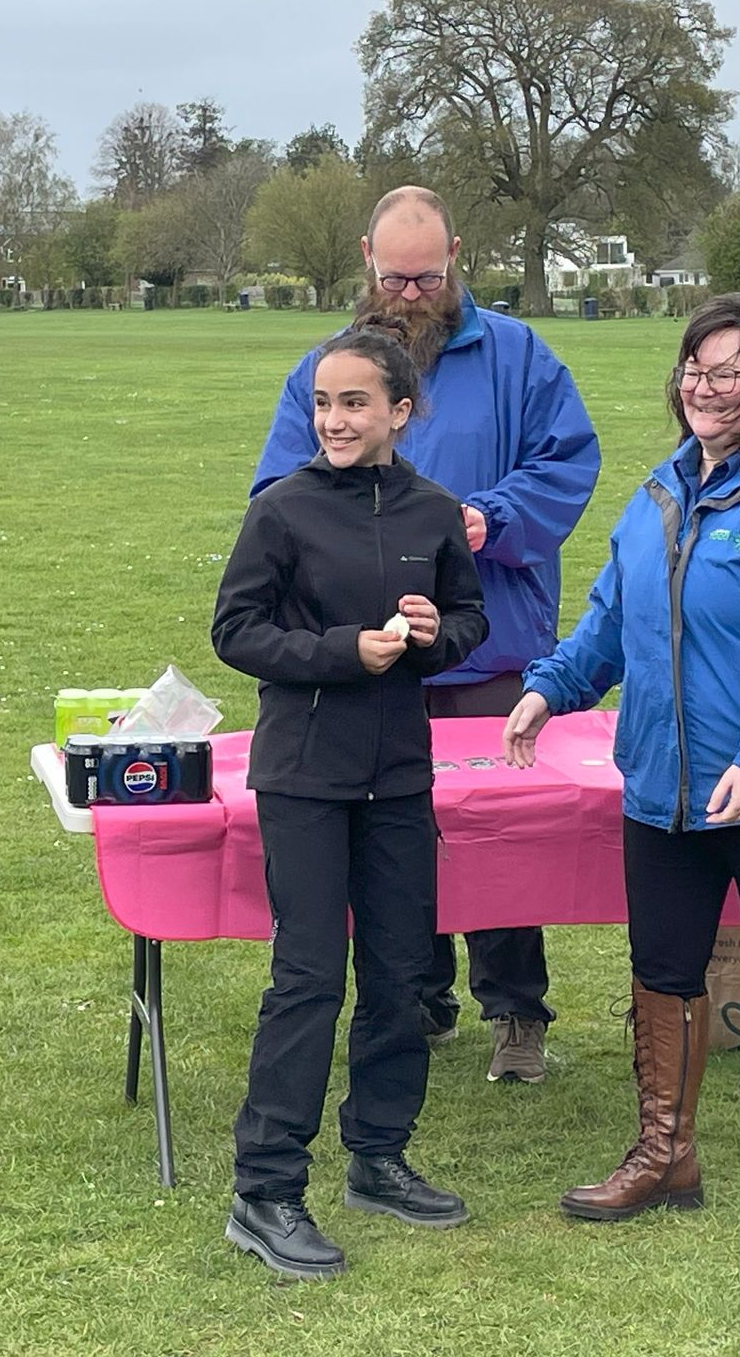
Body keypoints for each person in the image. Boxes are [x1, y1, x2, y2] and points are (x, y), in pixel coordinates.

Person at [502, 292, 740, 1249]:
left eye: (730, 372)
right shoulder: (661, 493)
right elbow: (612, 617)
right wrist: (552, 687)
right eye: (694, 368)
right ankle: (664, 1154)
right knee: (662, 969)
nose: (706, 388)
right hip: (663, 787)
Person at [252, 186, 600, 1084]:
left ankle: (516, 1007)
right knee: (391, 838)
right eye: (396, 278)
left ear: (456, 256)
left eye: (428, 278)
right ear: (367, 257)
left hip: (489, 648)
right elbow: (276, 497)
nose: (410, 294)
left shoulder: (520, 357)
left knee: (504, 837)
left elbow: (569, 460)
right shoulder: (327, 372)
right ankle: (415, 993)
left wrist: (493, 517)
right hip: (367, 663)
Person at [213, 317, 489, 1280]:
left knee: (402, 973)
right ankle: (265, 1191)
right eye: (323, 403)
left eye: (354, 403)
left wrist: (434, 634)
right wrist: (341, 652)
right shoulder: (282, 511)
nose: (334, 419)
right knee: (309, 978)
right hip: (303, 777)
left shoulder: (434, 513)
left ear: (400, 412)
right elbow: (235, 631)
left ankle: (378, 1156)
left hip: (400, 777)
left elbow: (470, 619)